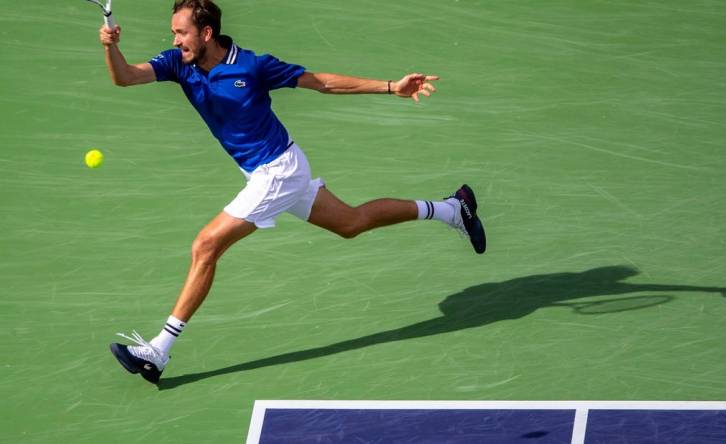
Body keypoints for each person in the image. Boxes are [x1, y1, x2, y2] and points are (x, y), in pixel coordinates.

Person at [102, 0, 486, 384]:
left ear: (206, 33)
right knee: (351, 222)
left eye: (181, 32)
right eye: (174, 32)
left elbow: (320, 82)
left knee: (206, 245)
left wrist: (390, 87)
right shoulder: (177, 63)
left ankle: (158, 350)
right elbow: (126, 77)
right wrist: (110, 46)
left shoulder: (252, 66)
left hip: (279, 171)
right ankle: (453, 209)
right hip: (266, 172)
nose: (174, 39)